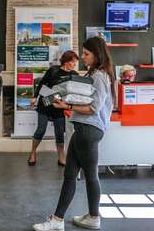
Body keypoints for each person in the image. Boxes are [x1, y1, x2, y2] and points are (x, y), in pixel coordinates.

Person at [33, 36, 115, 231]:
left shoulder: (99, 76)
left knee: (83, 175)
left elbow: (93, 108)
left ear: (97, 54)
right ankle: (63, 219)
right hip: (85, 129)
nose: (83, 58)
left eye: (86, 54)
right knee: (73, 175)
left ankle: (72, 218)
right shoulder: (98, 74)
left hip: (88, 129)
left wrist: (67, 105)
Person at [28, 50, 80, 167]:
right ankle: (33, 152)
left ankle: (61, 157)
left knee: (60, 133)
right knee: (41, 130)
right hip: (46, 103)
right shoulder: (53, 70)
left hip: (60, 106)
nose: (74, 64)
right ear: (66, 61)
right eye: (73, 62)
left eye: (75, 62)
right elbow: (42, 84)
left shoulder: (75, 75)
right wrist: (34, 97)